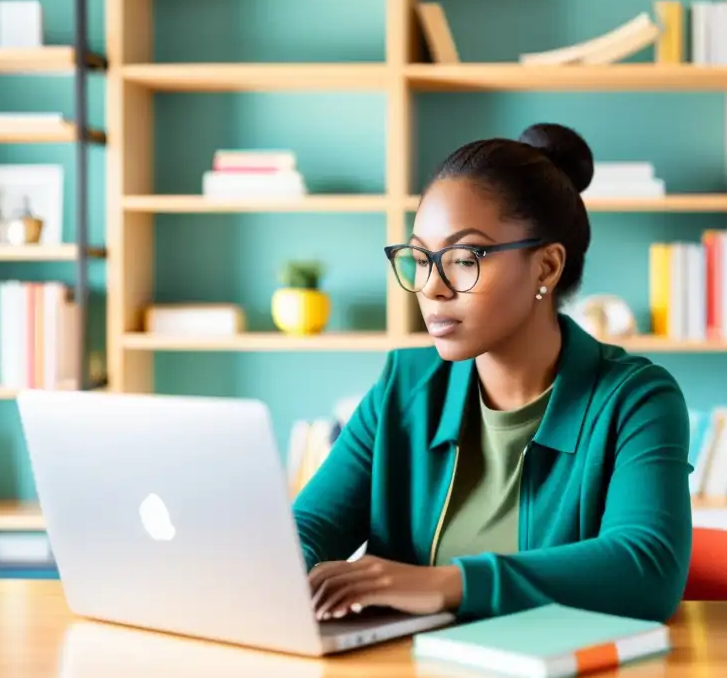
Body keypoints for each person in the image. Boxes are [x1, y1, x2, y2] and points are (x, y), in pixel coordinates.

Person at [292, 123, 693, 625]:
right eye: (420, 258)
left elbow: (648, 569)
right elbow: (306, 528)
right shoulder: (405, 386)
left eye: (464, 258)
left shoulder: (635, 399)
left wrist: (444, 584)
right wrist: (288, 580)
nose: (432, 287)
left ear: (546, 268)